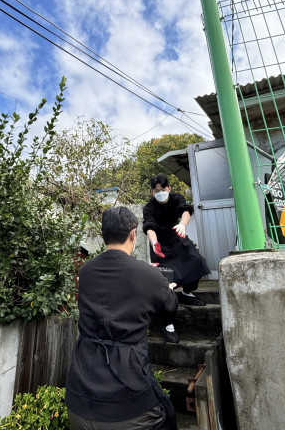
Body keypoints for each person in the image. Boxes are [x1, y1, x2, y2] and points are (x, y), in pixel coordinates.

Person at [65, 206, 178, 430]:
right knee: (168, 416)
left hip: (79, 397)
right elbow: (169, 308)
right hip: (130, 403)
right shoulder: (149, 274)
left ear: (103, 235)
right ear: (134, 233)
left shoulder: (85, 272)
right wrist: (168, 289)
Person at [143, 174, 211, 313]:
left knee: (196, 260)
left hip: (177, 235)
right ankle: (166, 302)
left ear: (169, 188)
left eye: (163, 189)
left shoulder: (176, 198)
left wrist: (182, 225)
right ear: (152, 192)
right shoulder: (149, 207)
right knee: (163, 273)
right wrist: (154, 242)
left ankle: (187, 293)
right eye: (156, 191)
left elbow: (185, 210)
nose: (160, 193)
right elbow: (149, 225)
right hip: (159, 242)